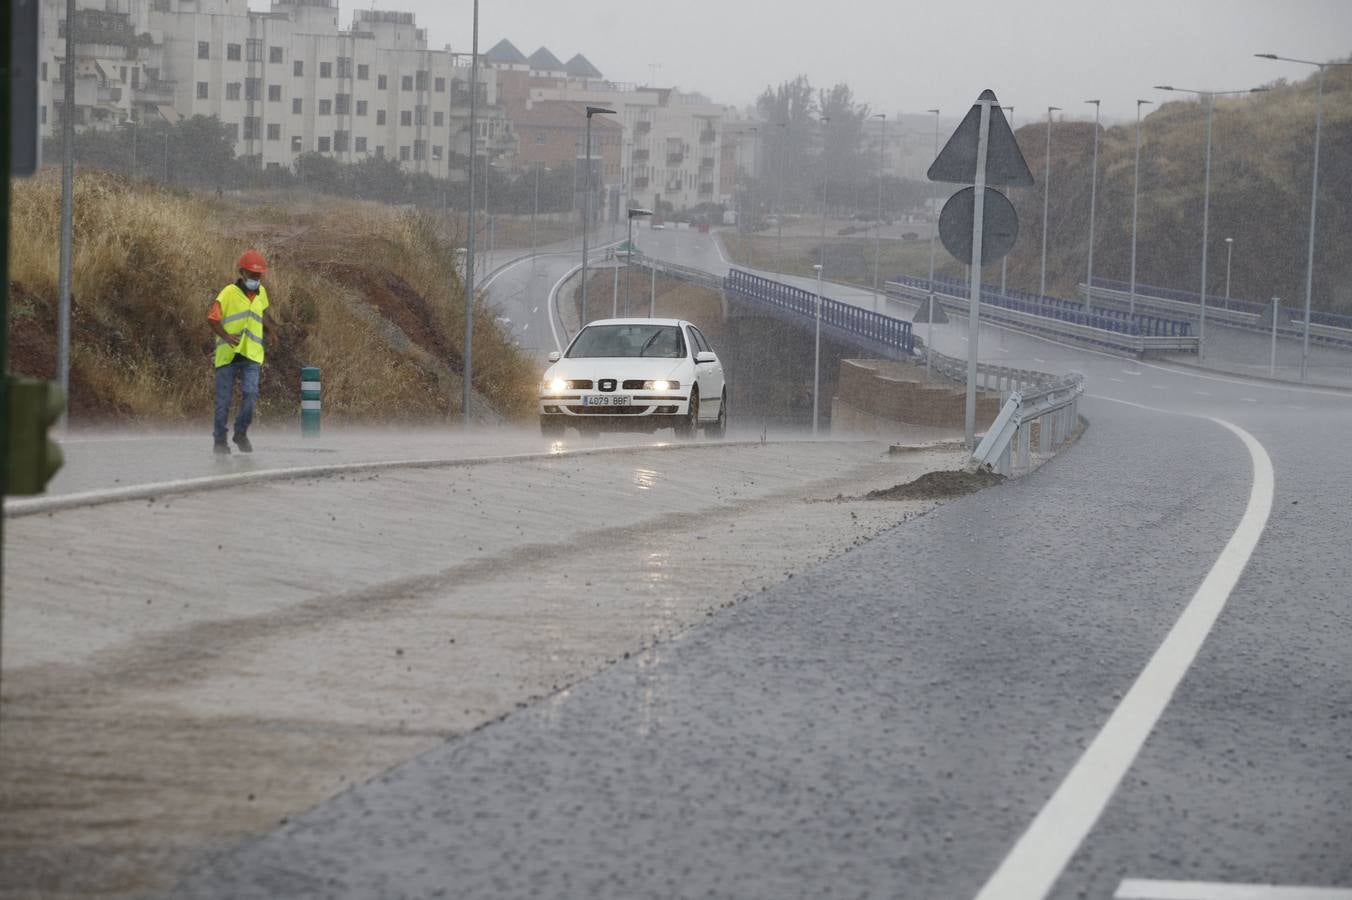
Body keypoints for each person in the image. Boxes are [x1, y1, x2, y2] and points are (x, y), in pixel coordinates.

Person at [208, 250, 274, 454]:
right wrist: (226, 336)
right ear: (242, 272)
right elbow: (212, 318)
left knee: (251, 394)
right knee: (223, 402)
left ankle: (240, 433)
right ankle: (220, 441)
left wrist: (271, 331)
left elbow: (261, 314)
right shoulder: (228, 292)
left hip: (251, 354)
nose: (256, 279)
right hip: (228, 355)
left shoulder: (261, 293)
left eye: (259, 276)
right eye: (253, 275)